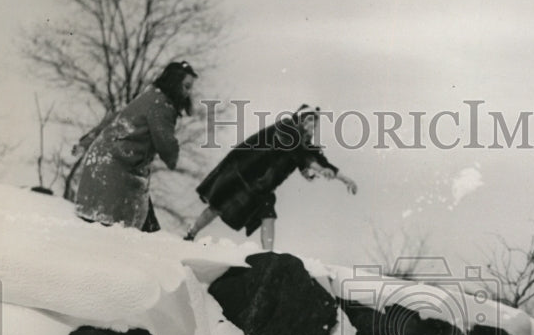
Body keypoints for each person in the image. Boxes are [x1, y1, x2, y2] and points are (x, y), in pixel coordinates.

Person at [185, 105, 357, 248]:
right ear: (301, 120)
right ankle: (191, 233)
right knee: (217, 206)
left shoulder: (304, 144)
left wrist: (344, 178)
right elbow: (298, 153)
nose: (313, 126)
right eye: (310, 120)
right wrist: (316, 168)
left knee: (268, 212)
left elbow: (318, 159)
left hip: (262, 186)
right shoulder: (286, 127)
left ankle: (268, 254)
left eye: (315, 123)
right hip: (243, 174)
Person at [74, 60, 197, 231]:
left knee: (142, 230)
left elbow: (114, 119)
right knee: (120, 235)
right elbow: (166, 143)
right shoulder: (161, 105)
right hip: (115, 174)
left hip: (106, 165)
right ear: (174, 83)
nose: (188, 93)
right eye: (186, 86)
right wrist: (173, 159)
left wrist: (86, 141)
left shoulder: (151, 95)